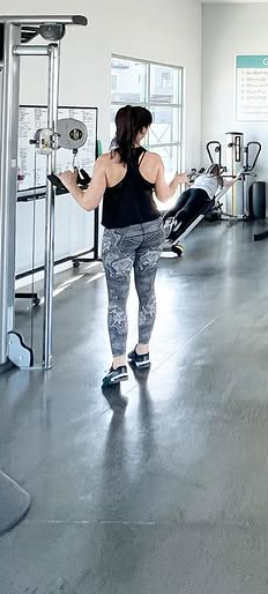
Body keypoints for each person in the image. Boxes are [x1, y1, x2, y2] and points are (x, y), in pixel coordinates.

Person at [60, 105, 188, 388]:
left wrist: (70, 183)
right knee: (147, 292)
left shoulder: (105, 162)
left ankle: (118, 364)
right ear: (142, 130)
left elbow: (88, 203)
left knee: (118, 300)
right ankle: (142, 351)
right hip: (152, 230)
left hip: (120, 236)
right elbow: (164, 197)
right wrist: (177, 181)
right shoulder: (153, 159)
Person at [164, 163, 225, 243]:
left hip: (189, 191)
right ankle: (175, 222)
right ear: (218, 171)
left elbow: (192, 183)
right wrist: (237, 177)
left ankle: (162, 223)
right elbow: (228, 183)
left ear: (208, 169)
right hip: (201, 192)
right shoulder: (218, 178)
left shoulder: (201, 176)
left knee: (174, 208)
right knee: (186, 210)